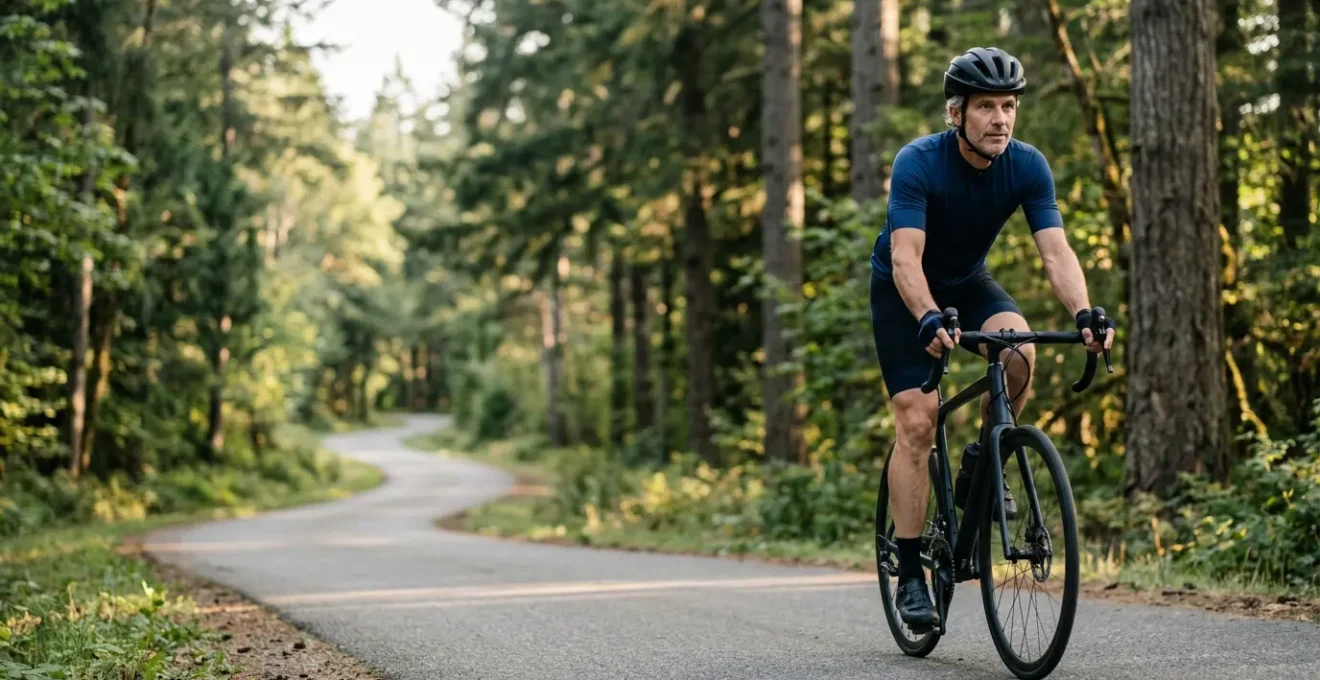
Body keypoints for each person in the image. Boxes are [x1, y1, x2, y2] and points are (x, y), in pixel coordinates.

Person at [868, 47, 1115, 632]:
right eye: (986, 107)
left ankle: (985, 459)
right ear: (957, 113)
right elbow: (907, 258)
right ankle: (908, 574)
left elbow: (1055, 251)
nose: (1001, 118)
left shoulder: (1028, 166)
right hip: (906, 293)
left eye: (1008, 106)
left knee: (1019, 352)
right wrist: (928, 317)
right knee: (918, 422)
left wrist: (1084, 312)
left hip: (970, 283)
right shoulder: (919, 161)